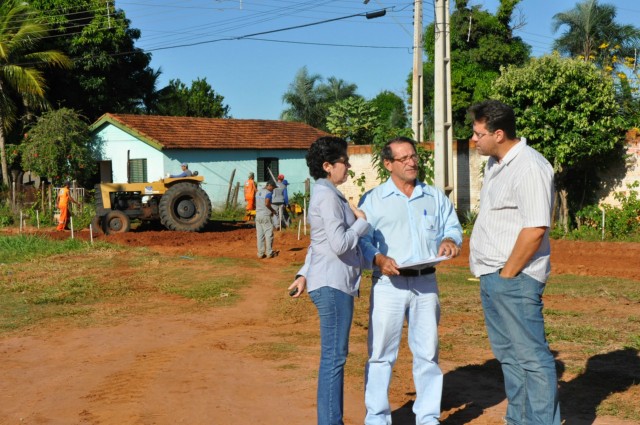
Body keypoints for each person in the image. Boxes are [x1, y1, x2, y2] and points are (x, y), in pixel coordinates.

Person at [357, 136, 463, 425]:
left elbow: (453, 227)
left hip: (426, 284)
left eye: (413, 156)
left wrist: (450, 240)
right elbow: (363, 241)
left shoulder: (434, 195)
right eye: (403, 158)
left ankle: (427, 417)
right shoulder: (373, 200)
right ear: (388, 164)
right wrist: (378, 259)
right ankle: (377, 418)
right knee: (380, 354)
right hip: (388, 285)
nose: (411, 162)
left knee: (427, 353)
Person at [468, 100, 560, 425]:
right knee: (510, 358)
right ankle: (518, 420)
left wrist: (508, 274)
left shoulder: (529, 166)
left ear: (499, 133)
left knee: (532, 359)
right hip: (493, 276)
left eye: (479, 134)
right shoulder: (496, 164)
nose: (474, 140)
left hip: (515, 277)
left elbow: (535, 228)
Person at [288, 136, 370, 425]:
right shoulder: (327, 197)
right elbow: (338, 244)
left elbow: (317, 244)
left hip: (331, 282)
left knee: (334, 358)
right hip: (333, 286)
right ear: (327, 165)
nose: (347, 166)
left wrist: (303, 273)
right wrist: (362, 222)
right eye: (344, 162)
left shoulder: (327, 194)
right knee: (334, 359)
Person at [255, 179, 278, 259]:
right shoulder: (268, 193)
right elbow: (267, 203)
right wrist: (272, 210)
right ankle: (269, 253)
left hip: (258, 215)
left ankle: (260, 253)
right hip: (265, 215)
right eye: (273, 188)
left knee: (260, 235)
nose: (273, 190)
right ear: (269, 186)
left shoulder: (258, 192)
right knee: (268, 234)